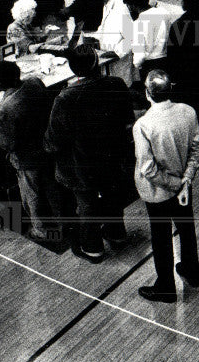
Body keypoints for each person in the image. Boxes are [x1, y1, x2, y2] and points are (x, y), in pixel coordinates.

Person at [44, 44, 135, 263]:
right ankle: (117, 235)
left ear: (74, 69)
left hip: (81, 163)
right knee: (112, 195)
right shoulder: (116, 83)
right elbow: (127, 119)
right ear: (97, 62)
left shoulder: (65, 98)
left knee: (87, 204)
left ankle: (93, 248)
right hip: (113, 156)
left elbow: (54, 139)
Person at [133, 70, 199, 303]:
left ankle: (165, 288)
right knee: (186, 228)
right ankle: (192, 271)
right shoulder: (188, 111)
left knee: (161, 237)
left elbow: (148, 169)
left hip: (158, 192)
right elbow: (197, 148)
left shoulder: (143, 125)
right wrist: (185, 181)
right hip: (184, 184)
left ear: (147, 93)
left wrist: (174, 184)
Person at [0, 61, 66, 250]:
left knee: (31, 193)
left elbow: (7, 143)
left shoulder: (6, 108)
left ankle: (39, 228)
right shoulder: (34, 82)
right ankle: (63, 222)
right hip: (46, 147)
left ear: (1, 83)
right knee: (52, 186)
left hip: (26, 157)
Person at [131, 0, 172, 80]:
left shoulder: (138, 23)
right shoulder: (165, 13)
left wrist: (137, 64)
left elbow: (140, 54)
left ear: (133, 6)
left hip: (149, 64)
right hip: (165, 59)